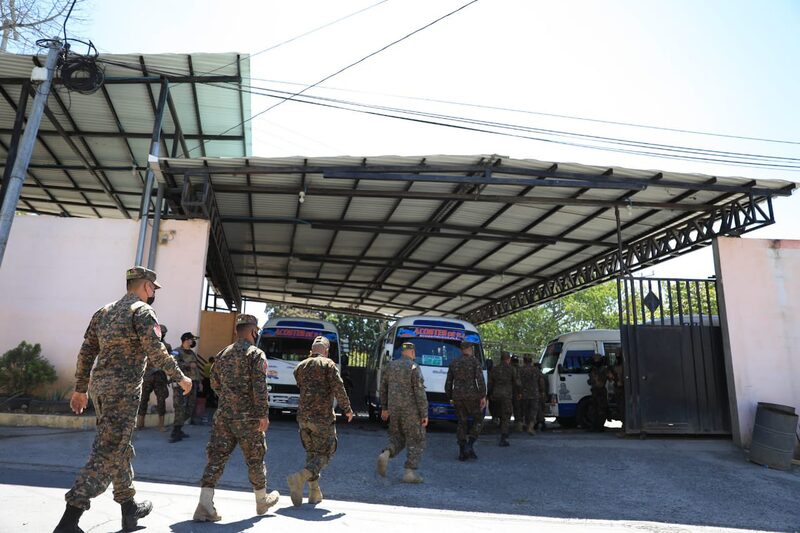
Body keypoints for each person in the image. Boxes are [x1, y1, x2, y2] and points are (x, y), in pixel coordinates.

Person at [53, 267, 192, 533]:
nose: (153, 293)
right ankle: (69, 520)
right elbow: (157, 351)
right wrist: (181, 377)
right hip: (123, 392)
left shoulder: (103, 312)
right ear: (146, 286)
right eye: (153, 288)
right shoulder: (142, 311)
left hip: (102, 390)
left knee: (118, 446)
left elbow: (86, 351)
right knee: (106, 452)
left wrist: (81, 388)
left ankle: (128, 508)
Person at [193, 314, 280, 522]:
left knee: (216, 458)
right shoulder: (255, 354)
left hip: (224, 415)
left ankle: (204, 504)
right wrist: (262, 414)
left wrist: (228, 397)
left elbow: (214, 382)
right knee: (255, 458)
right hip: (248, 418)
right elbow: (260, 387)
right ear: (252, 331)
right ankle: (261, 500)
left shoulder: (223, 354)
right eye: (256, 331)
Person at [287, 336, 353, 506]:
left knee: (311, 453)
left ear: (311, 350)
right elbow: (339, 388)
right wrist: (347, 409)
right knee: (326, 452)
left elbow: (301, 387)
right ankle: (300, 477)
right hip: (322, 419)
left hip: (303, 419)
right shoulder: (328, 365)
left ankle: (314, 493)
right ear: (326, 351)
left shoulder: (299, 367)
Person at [376, 342, 429, 483]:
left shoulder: (390, 366)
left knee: (397, 438)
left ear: (402, 352)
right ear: (412, 352)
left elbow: (383, 389)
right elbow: (419, 392)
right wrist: (424, 414)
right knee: (417, 440)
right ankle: (409, 472)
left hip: (394, 410)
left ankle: (386, 453)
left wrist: (385, 408)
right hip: (411, 412)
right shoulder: (413, 367)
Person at [444, 340, 486, 461]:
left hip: (458, 397)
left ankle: (462, 452)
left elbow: (448, 382)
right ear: (469, 349)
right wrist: (483, 396)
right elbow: (480, 380)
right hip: (472, 397)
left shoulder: (454, 363)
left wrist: (450, 396)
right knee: (478, 420)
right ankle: (470, 444)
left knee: (462, 422)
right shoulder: (474, 362)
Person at [136, 324, 171, 432]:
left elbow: (169, 361)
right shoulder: (146, 344)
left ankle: (161, 425)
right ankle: (140, 423)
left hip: (160, 375)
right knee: (143, 399)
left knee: (161, 400)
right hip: (147, 375)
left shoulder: (167, 346)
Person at [169, 332, 202, 442]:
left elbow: (196, 369)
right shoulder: (176, 351)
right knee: (180, 408)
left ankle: (179, 427)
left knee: (190, 408)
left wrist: (200, 382)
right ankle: (175, 432)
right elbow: (172, 365)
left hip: (193, 383)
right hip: (181, 385)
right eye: (192, 339)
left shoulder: (192, 353)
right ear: (186, 340)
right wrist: (188, 365)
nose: (193, 342)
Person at [487, 351, 519, 446]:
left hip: (495, 395)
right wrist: (518, 392)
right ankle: (503, 437)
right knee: (506, 416)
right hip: (506, 396)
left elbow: (490, 384)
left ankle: (497, 424)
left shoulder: (494, 369)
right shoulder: (512, 369)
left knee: (498, 413)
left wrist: (489, 395)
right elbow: (517, 383)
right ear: (508, 359)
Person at [518, 356, 542, 435]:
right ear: (531, 361)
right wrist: (542, 391)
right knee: (533, 411)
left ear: (524, 361)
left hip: (523, 394)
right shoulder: (536, 370)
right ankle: (530, 427)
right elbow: (541, 381)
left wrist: (518, 392)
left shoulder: (520, 370)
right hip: (534, 394)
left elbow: (517, 382)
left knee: (523, 410)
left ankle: (522, 425)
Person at [587, 353, 610, 432]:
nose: (596, 361)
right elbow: (590, 381)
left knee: (601, 410)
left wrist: (596, 379)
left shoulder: (603, 369)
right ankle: (594, 426)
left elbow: (604, 380)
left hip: (600, 391)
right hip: (595, 391)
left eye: (597, 359)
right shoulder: (593, 370)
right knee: (593, 410)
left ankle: (600, 427)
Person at [510, 355, 524, 433]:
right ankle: (519, 424)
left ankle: (504, 424)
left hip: (509, 391)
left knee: (507, 408)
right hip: (517, 390)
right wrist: (520, 392)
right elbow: (519, 382)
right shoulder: (521, 369)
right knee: (517, 408)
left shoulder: (509, 369)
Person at [534, 362, 548, 431]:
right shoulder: (543, 375)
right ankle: (540, 423)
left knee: (538, 410)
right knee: (541, 410)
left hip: (538, 395)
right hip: (542, 395)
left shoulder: (536, 375)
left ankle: (541, 423)